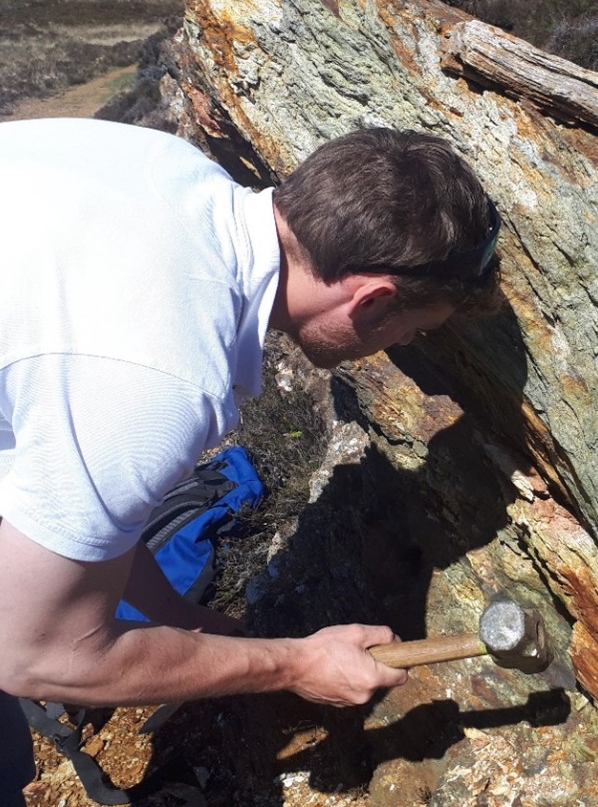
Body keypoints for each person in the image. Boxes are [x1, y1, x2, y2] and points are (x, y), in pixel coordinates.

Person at [0, 118, 502, 805]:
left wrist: (179, 614)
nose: (394, 348)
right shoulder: (158, 375)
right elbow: (34, 653)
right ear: (372, 299)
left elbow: (76, 498)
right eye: (411, 331)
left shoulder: (167, 171)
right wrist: (294, 664)